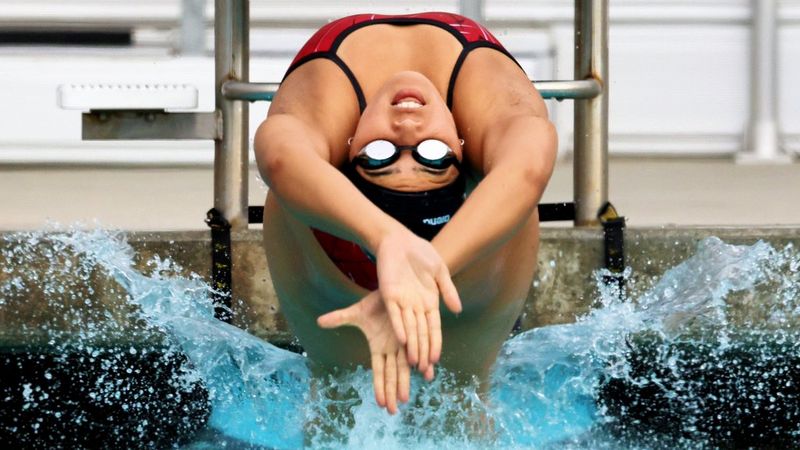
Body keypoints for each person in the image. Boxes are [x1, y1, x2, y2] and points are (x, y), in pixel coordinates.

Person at [254, 12, 556, 416]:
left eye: (378, 156)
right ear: (465, 156)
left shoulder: (326, 107)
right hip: (454, 268)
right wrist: (414, 261)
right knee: (462, 393)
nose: (408, 131)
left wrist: (399, 252)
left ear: (348, 151)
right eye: (435, 157)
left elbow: (277, 155)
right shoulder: (484, 107)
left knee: (335, 392)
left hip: (341, 244)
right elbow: (530, 165)